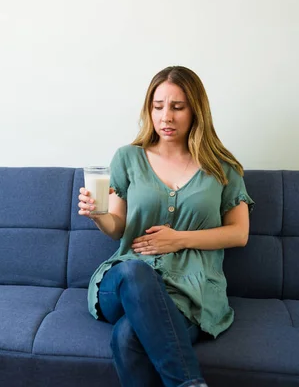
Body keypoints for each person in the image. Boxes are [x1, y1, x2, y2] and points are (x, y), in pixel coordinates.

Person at [78, 66, 254, 387]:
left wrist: (178, 240)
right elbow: (117, 227)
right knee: (135, 272)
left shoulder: (222, 167)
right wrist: (97, 214)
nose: (166, 117)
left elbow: (239, 233)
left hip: (191, 292)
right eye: (158, 107)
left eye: (177, 107)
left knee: (128, 337)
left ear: (196, 110)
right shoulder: (128, 158)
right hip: (123, 280)